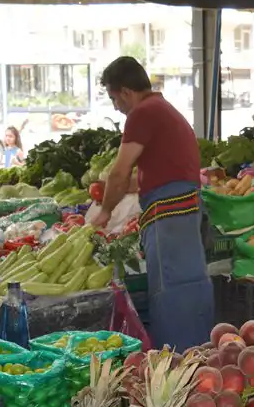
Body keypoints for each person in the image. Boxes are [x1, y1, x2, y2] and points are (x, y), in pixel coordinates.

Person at [88, 57, 212, 351]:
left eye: (114, 98)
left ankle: (178, 363)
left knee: (172, 293)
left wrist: (105, 211)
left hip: (170, 218)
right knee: (188, 287)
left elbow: (121, 171)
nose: (116, 106)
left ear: (126, 92)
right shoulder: (162, 109)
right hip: (182, 212)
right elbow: (151, 177)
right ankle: (199, 357)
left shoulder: (143, 114)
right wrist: (109, 192)